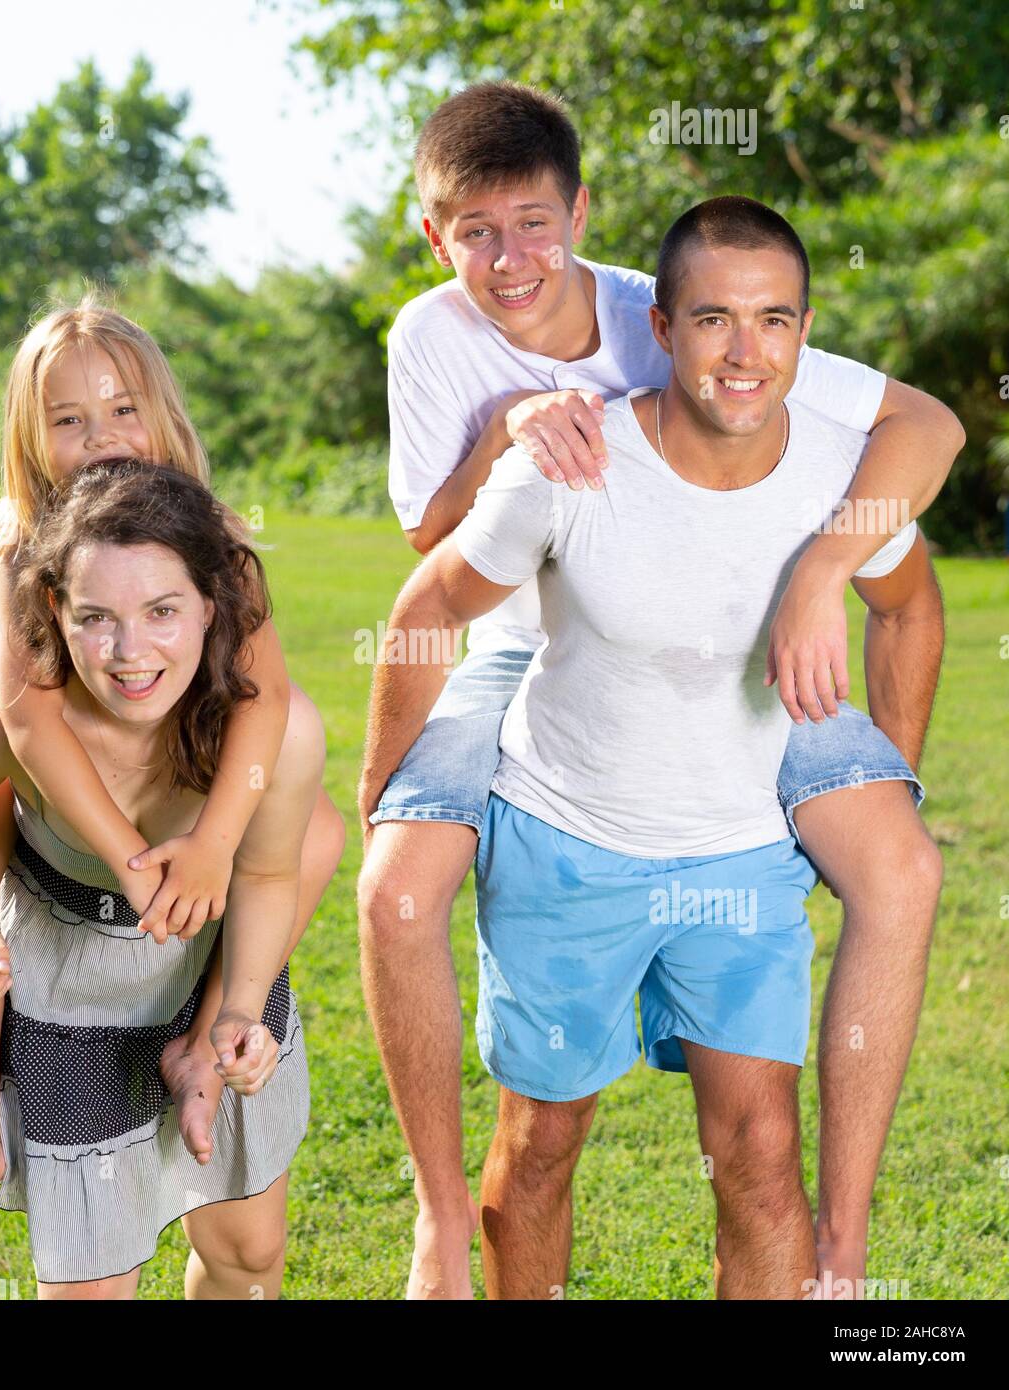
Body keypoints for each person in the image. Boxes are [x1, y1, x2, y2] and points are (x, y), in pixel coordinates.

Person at [357, 83, 960, 1299]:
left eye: (531, 223)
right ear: (435, 237)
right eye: (474, 231)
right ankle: (436, 1223)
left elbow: (923, 425)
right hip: (528, 641)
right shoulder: (433, 340)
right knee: (396, 887)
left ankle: (839, 1256)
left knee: (898, 868)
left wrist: (826, 577)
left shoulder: (674, 307)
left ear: (578, 213)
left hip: (726, 640)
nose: (509, 257)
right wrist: (516, 432)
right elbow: (429, 557)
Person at [0, 297, 345, 1224]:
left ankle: (214, 1028)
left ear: (165, 419)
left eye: (123, 409)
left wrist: (217, 842)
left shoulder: (215, 537)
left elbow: (265, 706)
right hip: (57, 774)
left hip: (163, 768)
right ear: (33, 439)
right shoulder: (19, 543)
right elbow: (28, 722)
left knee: (316, 829)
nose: (101, 437)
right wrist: (132, 864)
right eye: (69, 420)